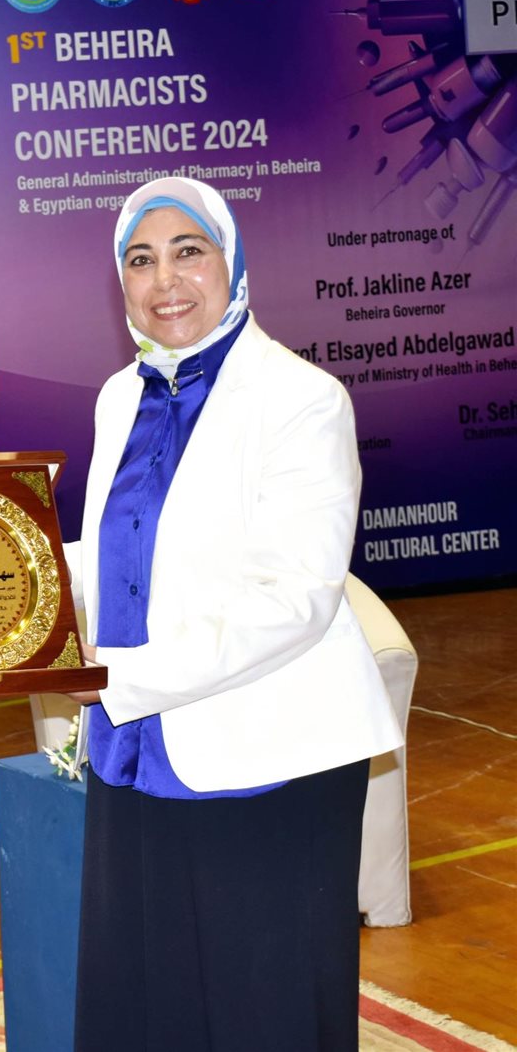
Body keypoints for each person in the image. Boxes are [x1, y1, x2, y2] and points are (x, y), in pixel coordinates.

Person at [69, 177, 402, 1051]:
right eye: (141, 259)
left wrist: (116, 677)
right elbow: (114, 552)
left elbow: (293, 598)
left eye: (189, 251)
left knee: (261, 1008)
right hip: (138, 752)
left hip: (269, 756)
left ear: (233, 262)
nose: (165, 280)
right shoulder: (119, 395)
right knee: (150, 999)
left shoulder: (303, 398)